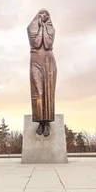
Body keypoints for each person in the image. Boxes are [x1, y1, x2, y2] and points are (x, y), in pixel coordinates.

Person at [27, 9, 57, 137]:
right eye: (42, 13)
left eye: (47, 14)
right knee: (38, 93)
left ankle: (46, 122)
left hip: (49, 61)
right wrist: (39, 26)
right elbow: (37, 43)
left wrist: (44, 26)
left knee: (48, 94)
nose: (44, 15)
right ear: (38, 15)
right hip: (36, 61)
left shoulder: (51, 29)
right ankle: (39, 120)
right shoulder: (31, 28)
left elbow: (48, 44)